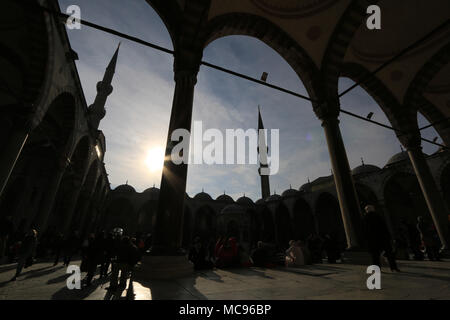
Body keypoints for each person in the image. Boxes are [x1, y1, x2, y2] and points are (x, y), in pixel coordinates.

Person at [363, 205, 400, 272]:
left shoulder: (366, 218)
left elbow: (365, 231)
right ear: (373, 209)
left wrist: (367, 241)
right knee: (389, 253)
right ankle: (393, 267)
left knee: (375, 256)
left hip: (373, 240)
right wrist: (389, 237)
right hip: (383, 238)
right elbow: (384, 227)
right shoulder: (378, 216)